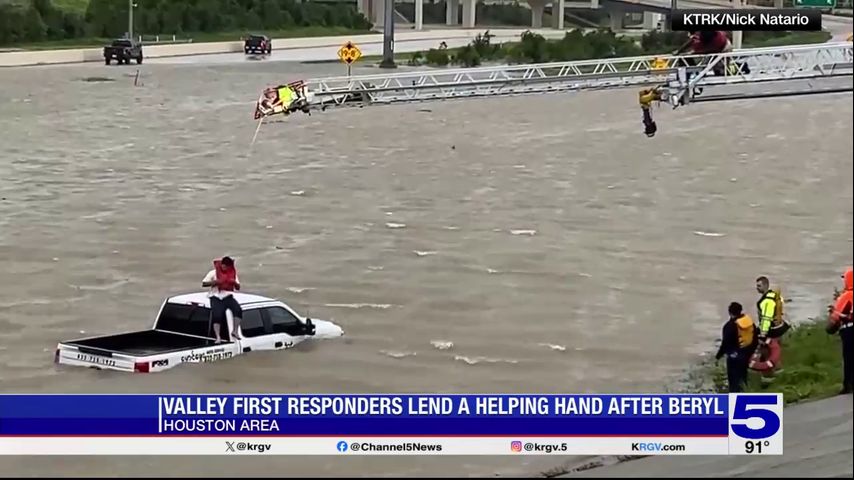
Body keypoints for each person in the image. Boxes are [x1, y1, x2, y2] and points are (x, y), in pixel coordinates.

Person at [716, 302, 757, 393]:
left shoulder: (729, 326)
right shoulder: (749, 322)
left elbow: (725, 344)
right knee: (743, 377)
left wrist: (718, 356)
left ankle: (734, 399)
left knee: (734, 382)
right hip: (746, 354)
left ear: (730, 312)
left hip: (734, 358)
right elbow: (755, 338)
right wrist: (751, 351)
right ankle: (745, 394)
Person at [201, 256, 243, 343]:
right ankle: (218, 337)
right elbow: (204, 283)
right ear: (221, 265)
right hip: (215, 296)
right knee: (217, 315)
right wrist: (215, 282)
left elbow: (238, 287)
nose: (225, 268)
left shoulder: (232, 273)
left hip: (228, 296)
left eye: (227, 267)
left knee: (238, 310)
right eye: (224, 266)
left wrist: (234, 282)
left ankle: (235, 331)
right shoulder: (213, 273)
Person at [827, 267, 853, 394]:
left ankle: (848, 385)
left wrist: (830, 325)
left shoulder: (846, 296)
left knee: (848, 358)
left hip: (849, 330)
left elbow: (836, 316)